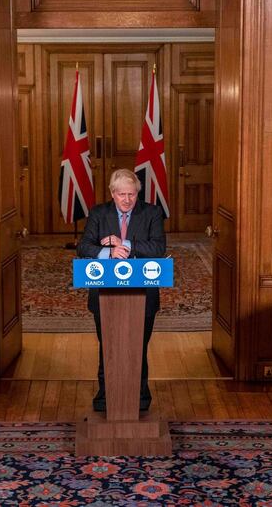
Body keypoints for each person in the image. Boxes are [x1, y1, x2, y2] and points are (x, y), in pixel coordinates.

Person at [78, 169, 166, 412]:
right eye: (122, 195)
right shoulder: (98, 213)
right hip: (105, 293)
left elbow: (158, 248)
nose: (127, 200)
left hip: (143, 293)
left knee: (138, 346)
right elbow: (83, 246)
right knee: (109, 346)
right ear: (112, 193)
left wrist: (124, 245)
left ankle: (140, 398)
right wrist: (108, 252)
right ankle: (105, 397)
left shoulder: (152, 212)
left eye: (132, 194)